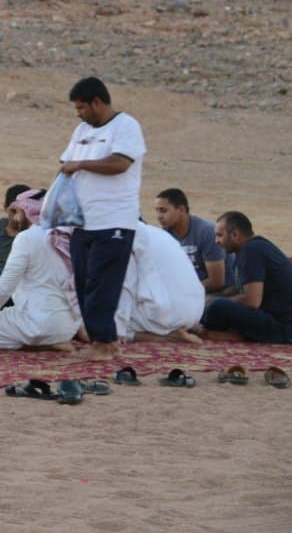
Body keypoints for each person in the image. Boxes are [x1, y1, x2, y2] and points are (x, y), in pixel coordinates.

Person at [59, 77, 146, 361]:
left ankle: (102, 343)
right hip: (83, 221)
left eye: (82, 107)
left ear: (97, 101)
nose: (79, 113)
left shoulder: (126, 126)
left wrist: (82, 164)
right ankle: (107, 341)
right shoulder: (81, 130)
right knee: (83, 281)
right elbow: (66, 162)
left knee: (103, 283)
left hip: (114, 221)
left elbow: (120, 163)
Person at [0, 189, 81, 351]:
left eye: (19, 212)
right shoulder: (65, 234)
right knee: (11, 314)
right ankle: (52, 342)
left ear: (29, 212)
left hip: (37, 325)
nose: (17, 218)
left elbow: (5, 285)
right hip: (67, 328)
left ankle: (38, 346)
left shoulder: (27, 238)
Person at [200, 212, 292, 343]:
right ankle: (238, 333)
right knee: (212, 302)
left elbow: (252, 301)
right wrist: (210, 297)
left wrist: (213, 301)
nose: (216, 241)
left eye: (220, 235)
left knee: (216, 306)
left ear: (235, 235)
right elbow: (239, 289)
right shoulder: (252, 248)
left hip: (283, 327)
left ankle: (234, 334)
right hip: (275, 319)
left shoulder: (252, 250)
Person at [115, 223, 204, 343]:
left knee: (105, 324)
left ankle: (164, 337)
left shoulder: (118, 236)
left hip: (163, 314)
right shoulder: (157, 232)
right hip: (195, 312)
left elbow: (126, 286)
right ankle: (173, 329)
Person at [153, 188, 229, 293]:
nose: (158, 217)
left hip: (219, 294)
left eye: (163, 210)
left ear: (181, 210)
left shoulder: (207, 232)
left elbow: (216, 282)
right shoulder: (165, 234)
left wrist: (182, 293)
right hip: (191, 290)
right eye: (156, 211)